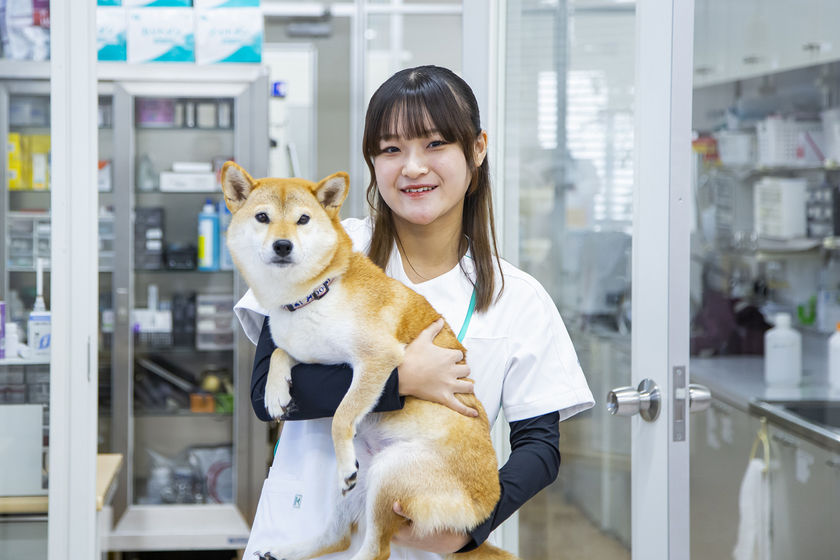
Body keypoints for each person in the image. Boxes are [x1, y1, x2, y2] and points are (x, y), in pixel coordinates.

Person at [234, 65, 594, 559]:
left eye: (434, 144)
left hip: (425, 539)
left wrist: (473, 527)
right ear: (373, 162)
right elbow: (265, 395)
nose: (413, 167)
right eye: (390, 149)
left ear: (477, 149)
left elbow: (539, 447)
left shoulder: (519, 299)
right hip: (303, 528)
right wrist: (401, 380)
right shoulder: (320, 248)